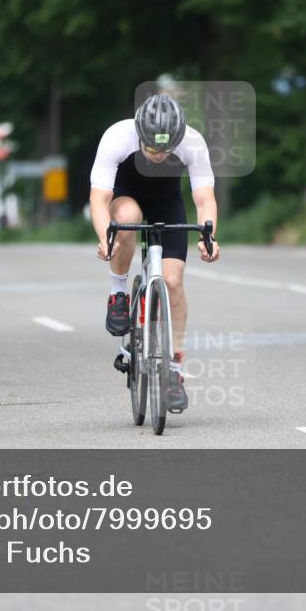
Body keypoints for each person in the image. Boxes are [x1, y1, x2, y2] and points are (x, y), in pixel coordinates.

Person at [89, 94, 220, 413]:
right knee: (127, 218)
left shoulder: (192, 141)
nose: (159, 155)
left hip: (167, 203)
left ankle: (174, 371)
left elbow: (204, 199)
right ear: (140, 135)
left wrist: (209, 236)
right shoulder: (118, 136)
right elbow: (99, 198)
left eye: (165, 149)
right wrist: (107, 238)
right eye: (151, 148)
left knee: (173, 282)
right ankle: (118, 293)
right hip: (126, 198)